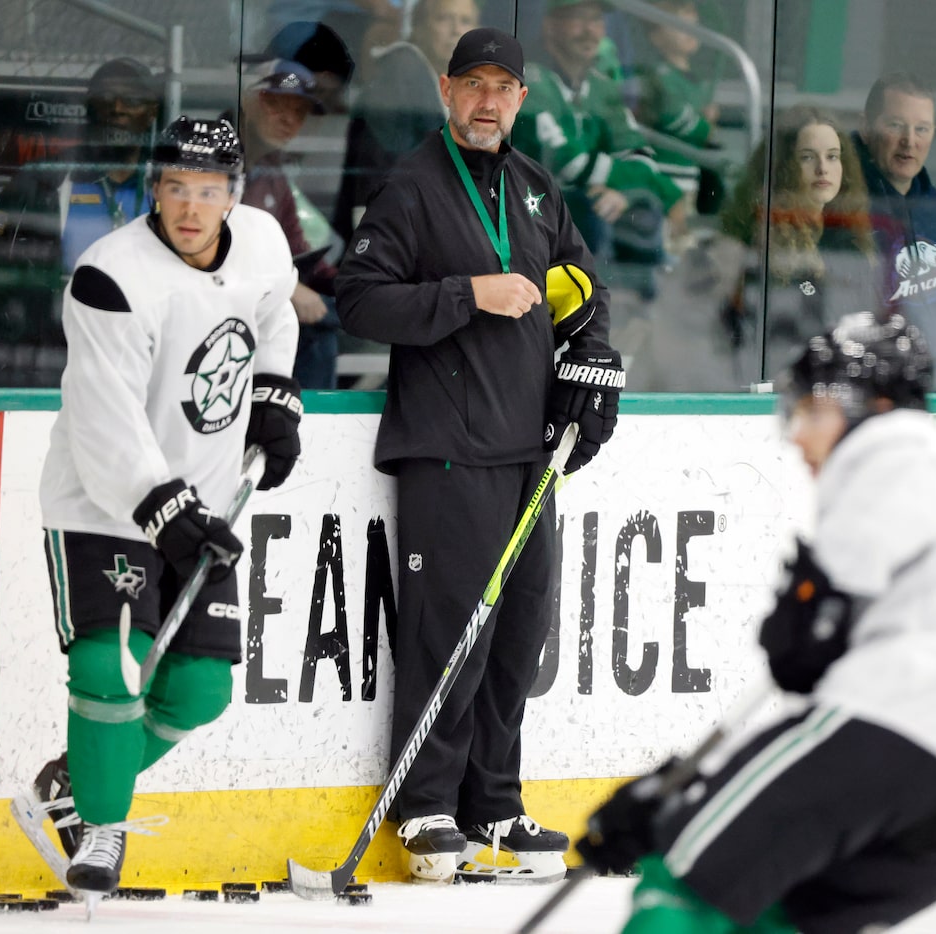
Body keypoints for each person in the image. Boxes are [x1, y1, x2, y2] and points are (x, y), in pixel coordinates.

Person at [576, 310, 936, 934]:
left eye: (814, 411)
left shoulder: (896, 447)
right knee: (781, 916)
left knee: (687, 878)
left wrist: (679, 806)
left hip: (928, 726)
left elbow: (815, 642)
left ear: (873, 406)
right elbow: (819, 661)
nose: (797, 435)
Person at [335, 26, 621, 885]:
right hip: (449, 449)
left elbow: (582, 293)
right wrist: (468, 295)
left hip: (528, 451)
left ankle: (493, 804)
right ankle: (427, 805)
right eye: (473, 84)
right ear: (446, 91)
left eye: (504, 87)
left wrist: (592, 359)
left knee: (515, 638)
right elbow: (358, 300)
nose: (488, 101)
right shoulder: (410, 187)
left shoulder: (538, 190)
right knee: (448, 633)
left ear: (522, 100)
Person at [11, 117, 302, 897]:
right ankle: (101, 827)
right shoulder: (110, 277)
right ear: (155, 188)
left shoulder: (265, 242)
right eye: (176, 188)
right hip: (104, 505)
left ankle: (75, 783)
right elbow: (106, 419)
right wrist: (164, 510)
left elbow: (273, 315)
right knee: (110, 666)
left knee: (200, 688)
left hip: (200, 500)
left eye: (209, 191)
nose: (191, 207)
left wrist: (274, 394)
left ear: (234, 195)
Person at [0, 57, 162, 387]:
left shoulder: (170, 189)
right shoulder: (41, 181)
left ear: (151, 112)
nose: (117, 108)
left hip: (146, 365)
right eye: (106, 98)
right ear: (89, 109)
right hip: (51, 365)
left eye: (132, 99)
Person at [514, 0, 686, 292]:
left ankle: (635, 320)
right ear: (550, 27)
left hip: (590, 221)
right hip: (532, 224)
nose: (590, 31)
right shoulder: (532, 82)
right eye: (578, 20)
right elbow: (572, 165)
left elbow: (640, 156)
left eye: (596, 21)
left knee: (641, 211)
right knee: (593, 209)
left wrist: (624, 194)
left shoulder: (603, 87)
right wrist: (658, 188)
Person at [718, 104, 877, 376]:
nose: (822, 168)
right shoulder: (764, 237)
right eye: (807, 157)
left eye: (833, 156)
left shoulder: (850, 238)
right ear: (784, 167)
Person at [852, 73, 936, 389]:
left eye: (922, 129)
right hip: (877, 395)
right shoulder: (845, 201)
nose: (909, 141)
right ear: (866, 127)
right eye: (895, 125)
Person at [331, 0, 480, 239]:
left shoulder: (443, 84)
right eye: (444, 19)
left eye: (465, 21)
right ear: (418, 27)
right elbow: (382, 176)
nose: (455, 30)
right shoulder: (401, 77)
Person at [241, 59, 343, 389]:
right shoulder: (219, 158)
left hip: (265, 299)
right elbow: (212, 249)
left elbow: (297, 247)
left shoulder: (273, 169)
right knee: (321, 325)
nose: (288, 120)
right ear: (247, 100)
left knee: (346, 307)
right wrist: (290, 288)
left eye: (299, 112)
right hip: (224, 304)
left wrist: (351, 285)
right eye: (276, 105)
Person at [630, 0, 722, 209]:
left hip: (689, 175)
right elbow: (672, 114)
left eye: (693, 25)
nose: (689, 32)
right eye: (680, 26)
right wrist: (706, 124)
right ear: (656, 37)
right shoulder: (660, 76)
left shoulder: (695, 80)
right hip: (666, 176)